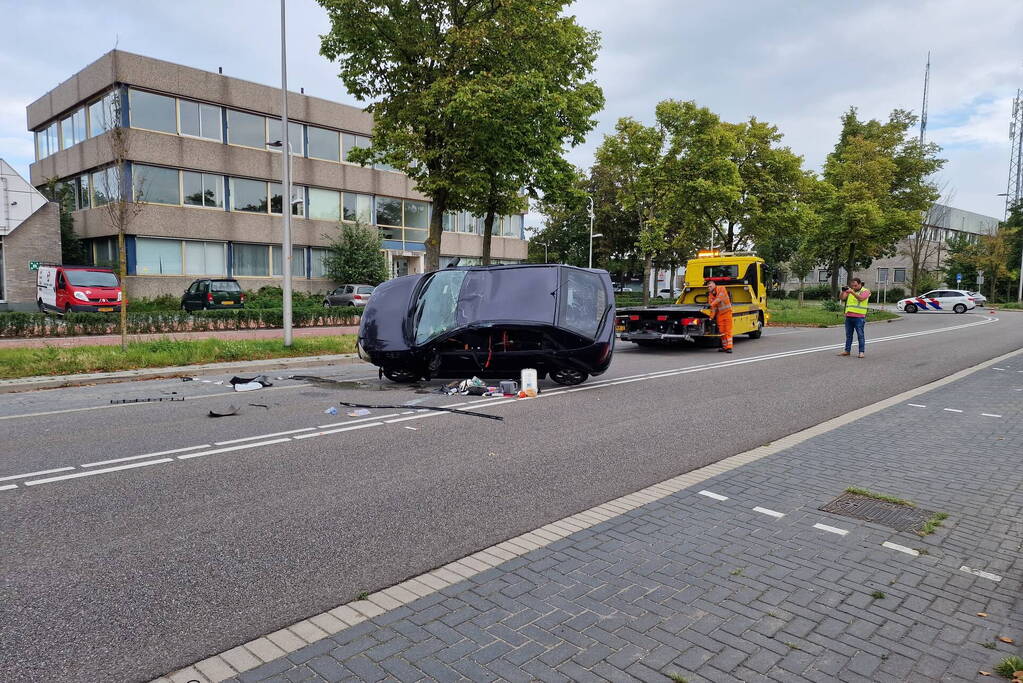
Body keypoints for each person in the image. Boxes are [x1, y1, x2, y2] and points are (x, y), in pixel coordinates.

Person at [838, 277, 871, 358]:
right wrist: (843, 291)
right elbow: (842, 298)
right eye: (852, 285)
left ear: (860, 284)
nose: (854, 287)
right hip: (849, 316)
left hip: (859, 317)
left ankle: (861, 352)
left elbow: (861, 299)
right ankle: (847, 351)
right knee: (848, 335)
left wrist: (851, 292)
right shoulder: (850, 290)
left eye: (855, 285)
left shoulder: (865, 291)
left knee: (860, 335)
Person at [706, 280, 733, 353]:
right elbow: (713, 309)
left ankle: (729, 347)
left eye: (710, 286)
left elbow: (719, 298)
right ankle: (724, 347)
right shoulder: (710, 295)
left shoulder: (721, 288)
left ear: (714, 285)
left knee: (728, 330)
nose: (709, 287)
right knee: (721, 331)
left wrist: (711, 304)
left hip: (727, 313)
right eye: (708, 287)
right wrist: (711, 318)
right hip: (720, 314)